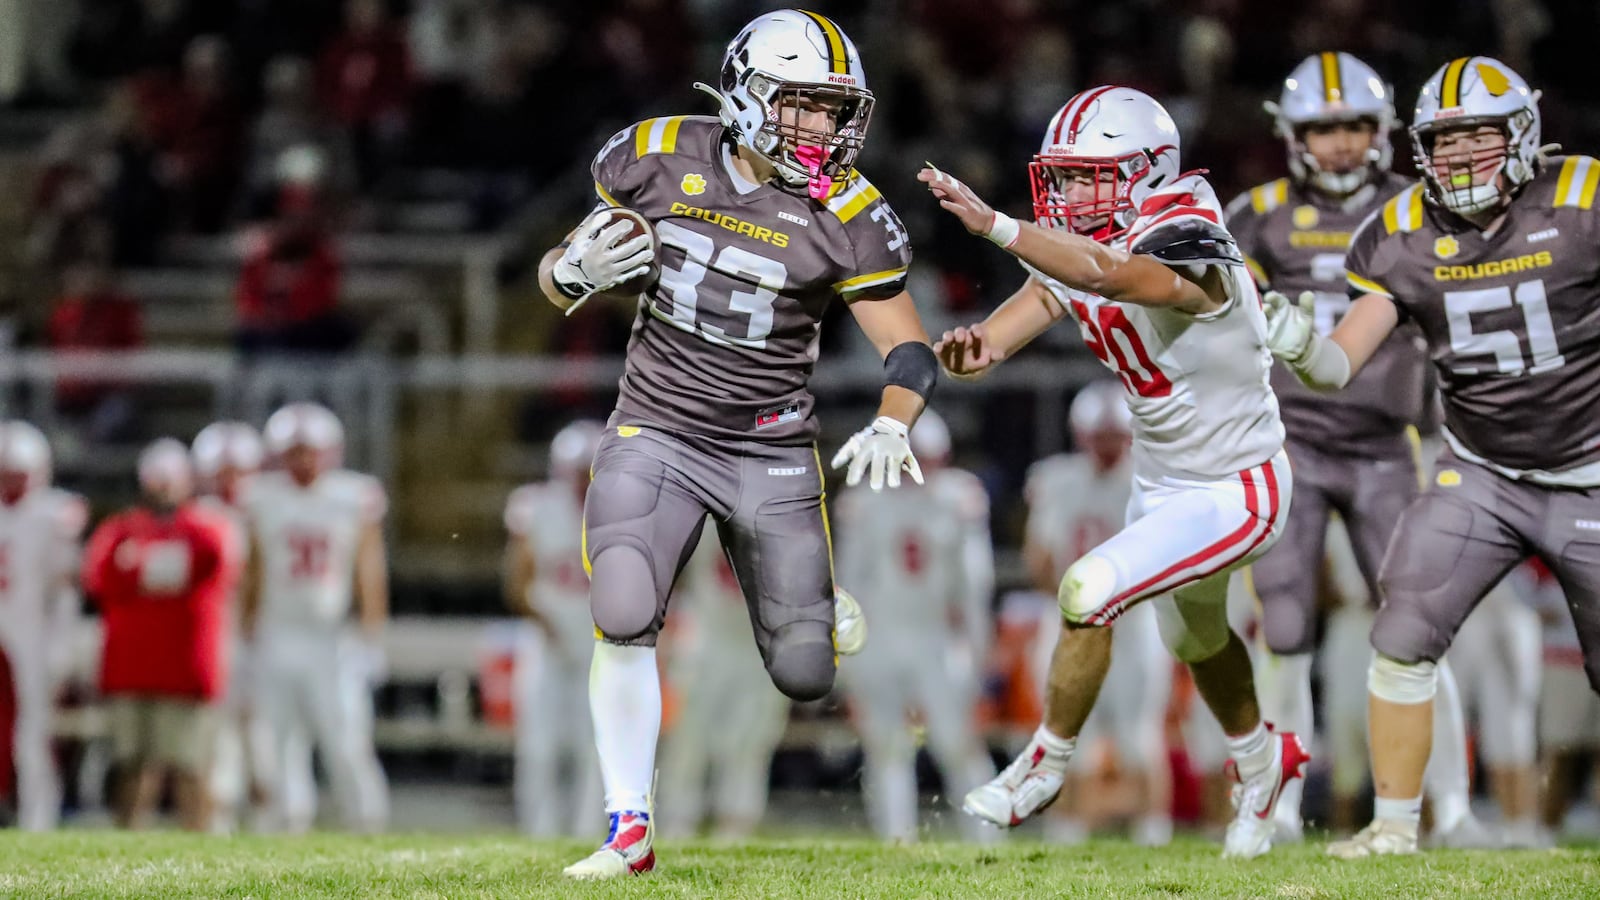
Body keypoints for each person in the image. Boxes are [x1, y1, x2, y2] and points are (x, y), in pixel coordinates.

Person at [535, 9, 940, 879]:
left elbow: (910, 347)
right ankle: (629, 828)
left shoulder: (850, 211)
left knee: (804, 672)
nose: (822, 129)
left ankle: (819, 606)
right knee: (623, 608)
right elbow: (555, 266)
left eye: (834, 111)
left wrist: (893, 418)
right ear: (748, 96)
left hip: (768, 446)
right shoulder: (658, 152)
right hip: (658, 426)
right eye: (801, 106)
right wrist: (570, 273)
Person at [923, 84, 1306, 860]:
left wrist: (998, 225)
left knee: (1086, 590)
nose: (1068, 194)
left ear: (1146, 171)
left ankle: (1043, 764)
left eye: (1087, 176)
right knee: (1198, 639)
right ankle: (1264, 763)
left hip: (1238, 485)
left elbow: (1117, 275)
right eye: (1061, 177)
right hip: (1162, 482)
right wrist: (979, 351)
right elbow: (1034, 305)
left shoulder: (1187, 228)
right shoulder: (1082, 242)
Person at [1260, 57, 1600, 858]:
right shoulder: (1400, 228)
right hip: (1481, 471)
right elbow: (1342, 361)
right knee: (1403, 630)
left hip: (1590, 467)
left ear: (1523, 135)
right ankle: (1394, 825)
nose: (1460, 159)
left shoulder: (1583, 197)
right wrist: (1299, 344)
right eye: (1444, 143)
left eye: (1478, 138)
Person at [1224, 51, 1485, 845]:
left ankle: (1453, 810)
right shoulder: (1257, 214)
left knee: (1417, 627)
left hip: (1391, 445)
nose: (1338, 142)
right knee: (1288, 624)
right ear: (1293, 134)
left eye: (1353, 125)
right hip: (1292, 442)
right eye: (1322, 127)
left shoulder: (1421, 207)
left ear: (1382, 131)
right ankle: (1276, 815)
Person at [835, 409, 996, 842]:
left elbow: (973, 585)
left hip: (934, 637)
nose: (915, 471)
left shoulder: (957, 500)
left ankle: (985, 836)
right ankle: (896, 838)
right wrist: (849, 655)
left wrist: (977, 651)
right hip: (883, 635)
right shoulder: (865, 504)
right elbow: (850, 585)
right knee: (886, 745)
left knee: (956, 741)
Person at [1023, 380, 1172, 846]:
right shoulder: (1058, 481)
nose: (1106, 445)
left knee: (1139, 734)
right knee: (1068, 736)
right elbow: (1039, 559)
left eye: (1114, 435)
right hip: (1074, 625)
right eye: (1099, 434)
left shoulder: (1151, 480)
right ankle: (1066, 833)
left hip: (1132, 624)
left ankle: (1153, 833)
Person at [241, 402, 389, 833]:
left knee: (346, 740)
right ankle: (285, 826)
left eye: (311, 450)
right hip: (277, 630)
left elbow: (368, 568)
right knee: (275, 743)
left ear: (332, 451)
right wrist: (243, 633)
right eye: (294, 451)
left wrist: (372, 632)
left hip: (331, 637)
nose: (303, 461)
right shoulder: (262, 497)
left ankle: (367, 824)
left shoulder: (353, 496)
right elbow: (253, 570)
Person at [83, 439, 238, 830]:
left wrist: (140, 571)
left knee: (190, 765)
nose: (163, 488)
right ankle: (127, 851)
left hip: (184, 667)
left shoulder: (208, 528)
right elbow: (101, 581)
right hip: (130, 665)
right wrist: (157, 572)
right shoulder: (120, 530)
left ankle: (202, 855)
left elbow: (210, 568)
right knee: (131, 764)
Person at [502, 420, 605, 838]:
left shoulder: (625, 510)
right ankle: (538, 830)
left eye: (590, 470)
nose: (583, 481)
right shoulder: (537, 507)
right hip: (547, 642)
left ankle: (589, 832)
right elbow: (517, 580)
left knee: (594, 747)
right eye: (578, 471)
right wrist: (544, 621)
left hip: (600, 647)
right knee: (539, 745)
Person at [656, 529, 790, 840]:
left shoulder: (781, 506)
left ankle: (736, 823)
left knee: (752, 739)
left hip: (759, 640)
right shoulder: (702, 505)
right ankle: (678, 820)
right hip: (706, 635)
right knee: (688, 736)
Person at [0, 421, 86, 830]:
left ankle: (39, 815)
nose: (14, 482)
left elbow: (65, 590)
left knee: (32, 731)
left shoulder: (54, 514)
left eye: (20, 473)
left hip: (30, 628)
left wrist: (61, 645)